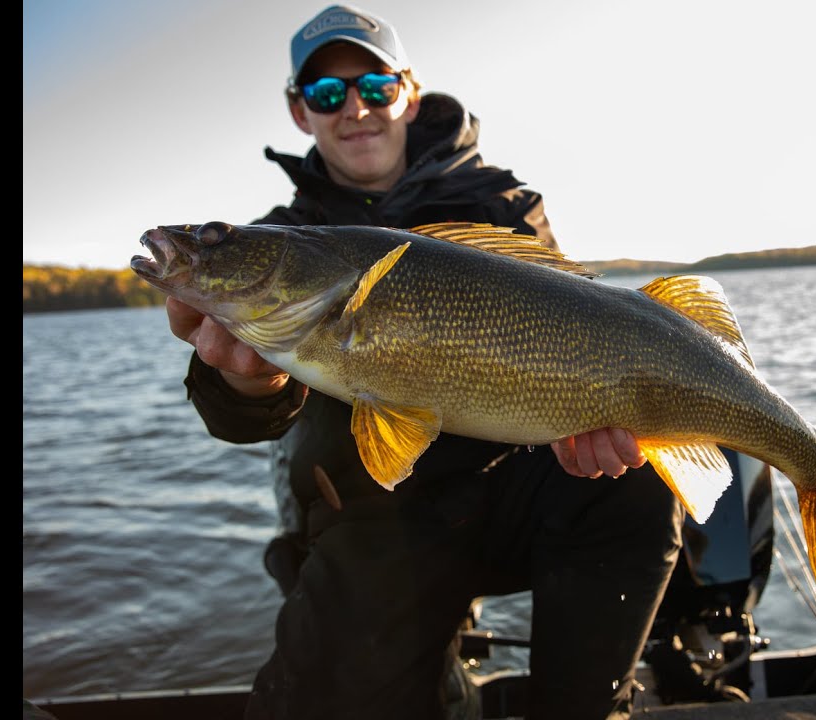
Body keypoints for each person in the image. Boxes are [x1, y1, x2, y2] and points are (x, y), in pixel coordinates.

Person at [164, 5, 684, 719]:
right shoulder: (288, 239)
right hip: (371, 514)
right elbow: (243, 418)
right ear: (299, 112)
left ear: (408, 92)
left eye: (375, 87)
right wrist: (241, 382)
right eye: (327, 95)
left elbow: (579, 328)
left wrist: (588, 423)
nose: (355, 110)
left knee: (637, 480)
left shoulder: (503, 204)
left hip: (522, 487)